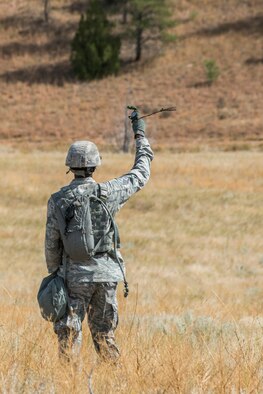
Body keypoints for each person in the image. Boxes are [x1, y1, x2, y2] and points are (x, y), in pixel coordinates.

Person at [45, 109, 154, 361]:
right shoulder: (110, 192)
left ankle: (68, 386)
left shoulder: (57, 200)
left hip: (73, 276)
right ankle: (114, 384)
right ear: (95, 164)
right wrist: (140, 134)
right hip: (107, 275)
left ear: (69, 166)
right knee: (105, 336)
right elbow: (141, 173)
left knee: (69, 335)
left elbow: (52, 244)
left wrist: (55, 275)